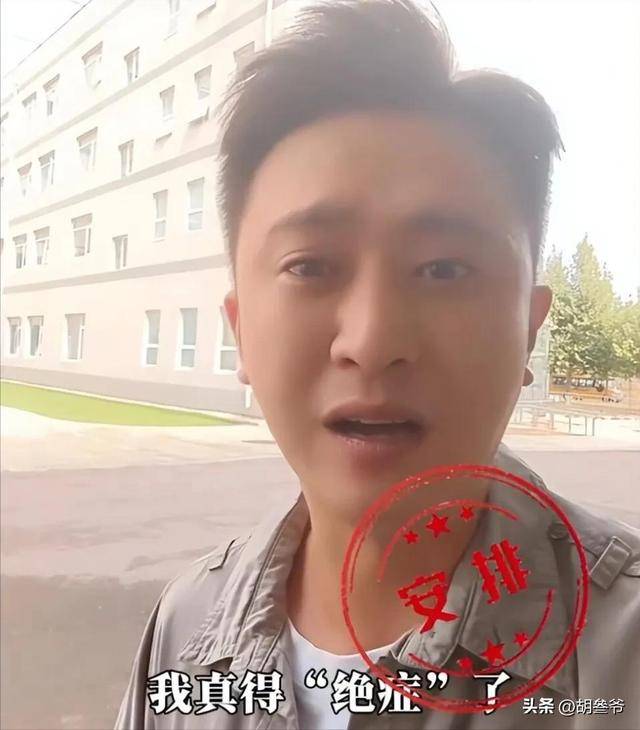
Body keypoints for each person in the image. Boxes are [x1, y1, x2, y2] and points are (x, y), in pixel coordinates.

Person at [115, 1, 640, 728]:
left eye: (445, 269)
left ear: (527, 328)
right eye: (310, 265)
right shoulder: (186, 629)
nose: (371, 340)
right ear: (240, 330)